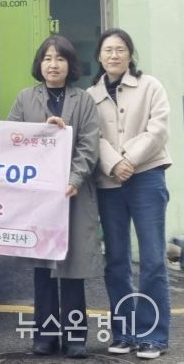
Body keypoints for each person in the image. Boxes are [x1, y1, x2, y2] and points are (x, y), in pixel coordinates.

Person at [8, 35, 101, 360]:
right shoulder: (25, 98)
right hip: (39, 198)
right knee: (43, 269)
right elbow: (11, 138)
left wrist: (74, 178)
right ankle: (45, 336)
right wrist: (43, 133)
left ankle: (75, 337)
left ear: (69, 64)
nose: (53, 64)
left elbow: (90, 144)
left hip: (74, 195)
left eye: (60, 58)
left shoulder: (83, 100)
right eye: (47, 58)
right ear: (40, 63)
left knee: (72, 268)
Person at [87, 29, 171, 360]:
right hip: (110, 183)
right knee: (117, 260)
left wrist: (129, 160)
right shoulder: (90, 95)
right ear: (99, 56)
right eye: (108, 50)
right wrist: (114, 163)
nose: (114, 55)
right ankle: (125, 332)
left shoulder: (150, 86)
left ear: (130, 55)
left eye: (120, 49)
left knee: (152, 259)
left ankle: (153, 336)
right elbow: (91, 136)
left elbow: (158, 129)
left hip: (147, 176)